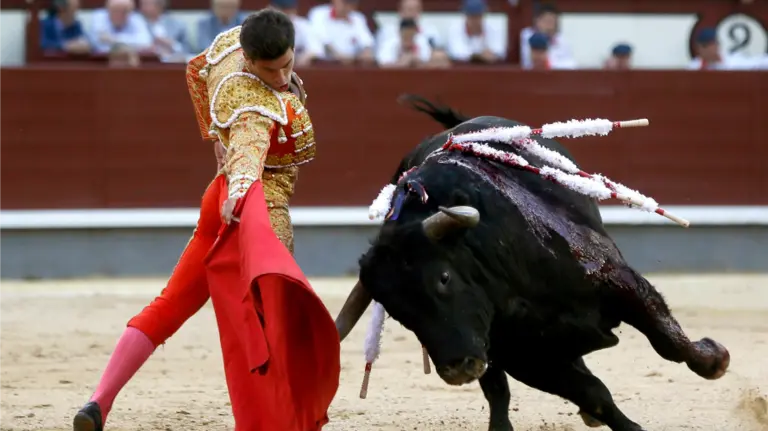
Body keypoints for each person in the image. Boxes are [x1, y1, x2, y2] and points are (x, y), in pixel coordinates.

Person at [72, 9, 341, 431]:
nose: (281, 77)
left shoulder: (234, 43)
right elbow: (250, 150)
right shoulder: (255, 104)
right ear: (251, 63)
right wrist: (239, 188)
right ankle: (277, 420)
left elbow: (195, 69)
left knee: (171, 305)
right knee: (271, 324)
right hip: (256, 211)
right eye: (270, 70)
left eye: (288, 63)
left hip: (217, 198)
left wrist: (215, 137)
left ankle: (98, 403)